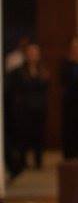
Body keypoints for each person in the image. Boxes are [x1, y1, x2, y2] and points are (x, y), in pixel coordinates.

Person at [7, 42, 49, 172]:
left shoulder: (43, 71)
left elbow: (45, 89)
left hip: (39, 109)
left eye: (35, 53)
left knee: (39, 136)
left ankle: (38, 161)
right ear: (26, 54)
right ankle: (23, 162)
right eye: (30, 53)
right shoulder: (18, 72)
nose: (33, 55)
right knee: (23, 137)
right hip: (24, 110)